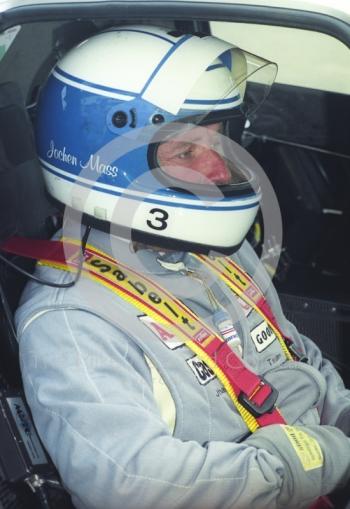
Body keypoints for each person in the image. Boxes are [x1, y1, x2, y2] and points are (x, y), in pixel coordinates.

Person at [13, 25, 350, 509]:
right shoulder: (70, 320)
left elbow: (298, 359)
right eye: (186, 152)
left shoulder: (216, 250)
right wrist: (320, 461)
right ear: (110, 165)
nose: (218, 171)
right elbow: (133, 485)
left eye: (219, 143)